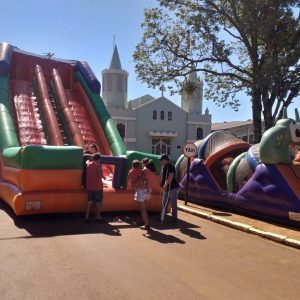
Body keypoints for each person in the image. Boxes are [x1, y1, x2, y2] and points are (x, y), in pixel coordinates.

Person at [127, 160, 151, 230]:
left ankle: (147, 224)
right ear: (138, 166)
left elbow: (130, 182)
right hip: (145, 190)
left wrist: (133, 185)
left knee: (142, 209)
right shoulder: (141, 171)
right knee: (143, 208)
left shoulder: (130, 171)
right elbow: (144, 178)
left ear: (132, 165)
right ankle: (144, 222)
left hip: (140, 190)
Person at [84, 153, 106, 223]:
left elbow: (87, 161)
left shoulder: (88, 164)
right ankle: (98, 217)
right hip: (97, 187)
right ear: (99, 159)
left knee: (89, 202)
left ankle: (87, 217)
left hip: (90, 186)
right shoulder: (98, 165)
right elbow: (100, 175)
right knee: (98, 202)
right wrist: (104, 176)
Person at [160, 154, 180, 224]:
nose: (160, 162)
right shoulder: (164, 167)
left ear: (165, 160)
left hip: (172, 188)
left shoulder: (170, 166)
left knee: (173, 203)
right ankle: (162, 217)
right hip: (167, 188)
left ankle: (174, 219)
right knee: (164, 203)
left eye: (161, 160)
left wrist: (165, 185)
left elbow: (170, 176)